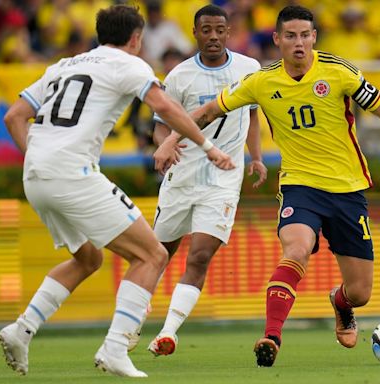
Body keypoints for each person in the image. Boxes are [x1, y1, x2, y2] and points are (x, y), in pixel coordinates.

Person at [154, 5, 380, 367]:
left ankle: (341, 303)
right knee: (296, 249)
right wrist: (172, 139)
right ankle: (272, 336)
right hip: (300, 187)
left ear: (314, 37)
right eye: (291, 36)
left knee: (360, 292)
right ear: (278, 39)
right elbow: (209, 111)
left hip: (348, 189)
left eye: (305, 35)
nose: (299, 43)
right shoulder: (261, 81)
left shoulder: (339, 72)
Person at [0, 4, 233, 378]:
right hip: (73, 173)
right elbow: (165, 107)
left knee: (88, 259)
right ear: (136, 38)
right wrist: (208, 147)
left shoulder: (63, 65)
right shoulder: (129, 64)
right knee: (152, 254)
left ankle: (20, 329)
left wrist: (40, 160)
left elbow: (14, 117)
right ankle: (116, 347)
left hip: (36, 176)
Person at [129, 4, 267, 357]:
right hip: (183, 176)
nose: (213, 37)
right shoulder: (179, 76)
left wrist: (255, 157)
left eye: (219, 30)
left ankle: (169, 333)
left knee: (200, 256)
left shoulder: (249, 69)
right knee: (157, 254)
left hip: (223, 179)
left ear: (229, 31)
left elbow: (252, 116)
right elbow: (161, 125)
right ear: (195, 33)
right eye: (206, 30)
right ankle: (131, 321)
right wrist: (165, 146)